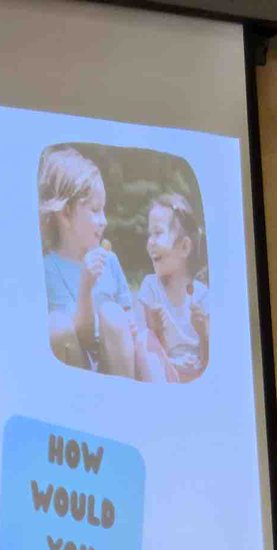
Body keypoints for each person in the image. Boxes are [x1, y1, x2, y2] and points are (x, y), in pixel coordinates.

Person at [38, 146, 147, 378]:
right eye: (95, 210)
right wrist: (86, 286)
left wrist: (130, 323)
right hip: (78, 369)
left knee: (112, 312)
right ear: (66, 214)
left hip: (115, 366)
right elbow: (82, 337)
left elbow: (127, 313)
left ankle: (124, 398)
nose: (104, 221)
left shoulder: (110, 261)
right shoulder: (48, 269)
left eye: (104, 211)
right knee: (57, 325)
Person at [137, 193, 210, 382]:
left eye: (158, 233)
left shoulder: (202, 296)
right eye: (149, 234)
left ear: (185, 247)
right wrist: (156, 329)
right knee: (145, 337)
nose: (149, 242)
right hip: (165, 375)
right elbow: (145, 353)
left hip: (196, 379)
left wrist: (203, 332)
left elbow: (211, 360)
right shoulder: (150, 288)